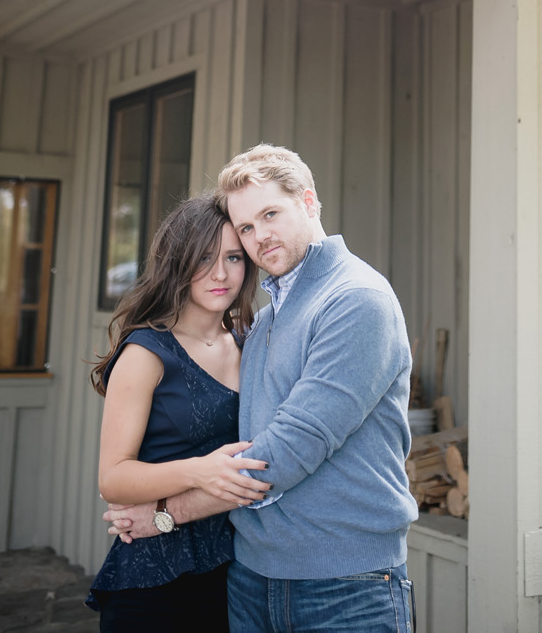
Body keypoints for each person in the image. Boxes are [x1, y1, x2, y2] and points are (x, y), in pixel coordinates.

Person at [104, 143, 419, 633]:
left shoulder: (356, 300)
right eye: (246, 227)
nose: (259, 238)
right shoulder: (267, 320)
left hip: (342, 583)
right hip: (250, 579)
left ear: (309, 202)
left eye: (270, 214)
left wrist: (166, 515)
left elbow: (286, 453)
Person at [88, 193, 271, 632]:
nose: (221, 274)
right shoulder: (147, 352)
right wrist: (200, 471)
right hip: (155, 584)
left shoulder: (253, 343)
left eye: (233, 257)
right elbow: (113, 478)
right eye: (204, 257)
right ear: (178, 262)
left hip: (238, 573)